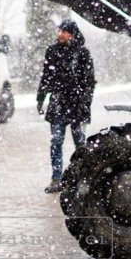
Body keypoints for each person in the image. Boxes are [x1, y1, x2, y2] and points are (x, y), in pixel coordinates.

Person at [36, 19, 96, 193]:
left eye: (64, 31)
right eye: (60, 31)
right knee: (56, 141)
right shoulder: (52, 51)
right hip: (58, 103)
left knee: (80, 144)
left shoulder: (83, 53)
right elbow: (46, 76)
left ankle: (83, 177)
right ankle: (57, 179)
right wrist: (40, 98)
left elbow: (89, 81)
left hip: (77, 104)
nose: (60, 34)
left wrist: (86, 103)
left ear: (72, 34)